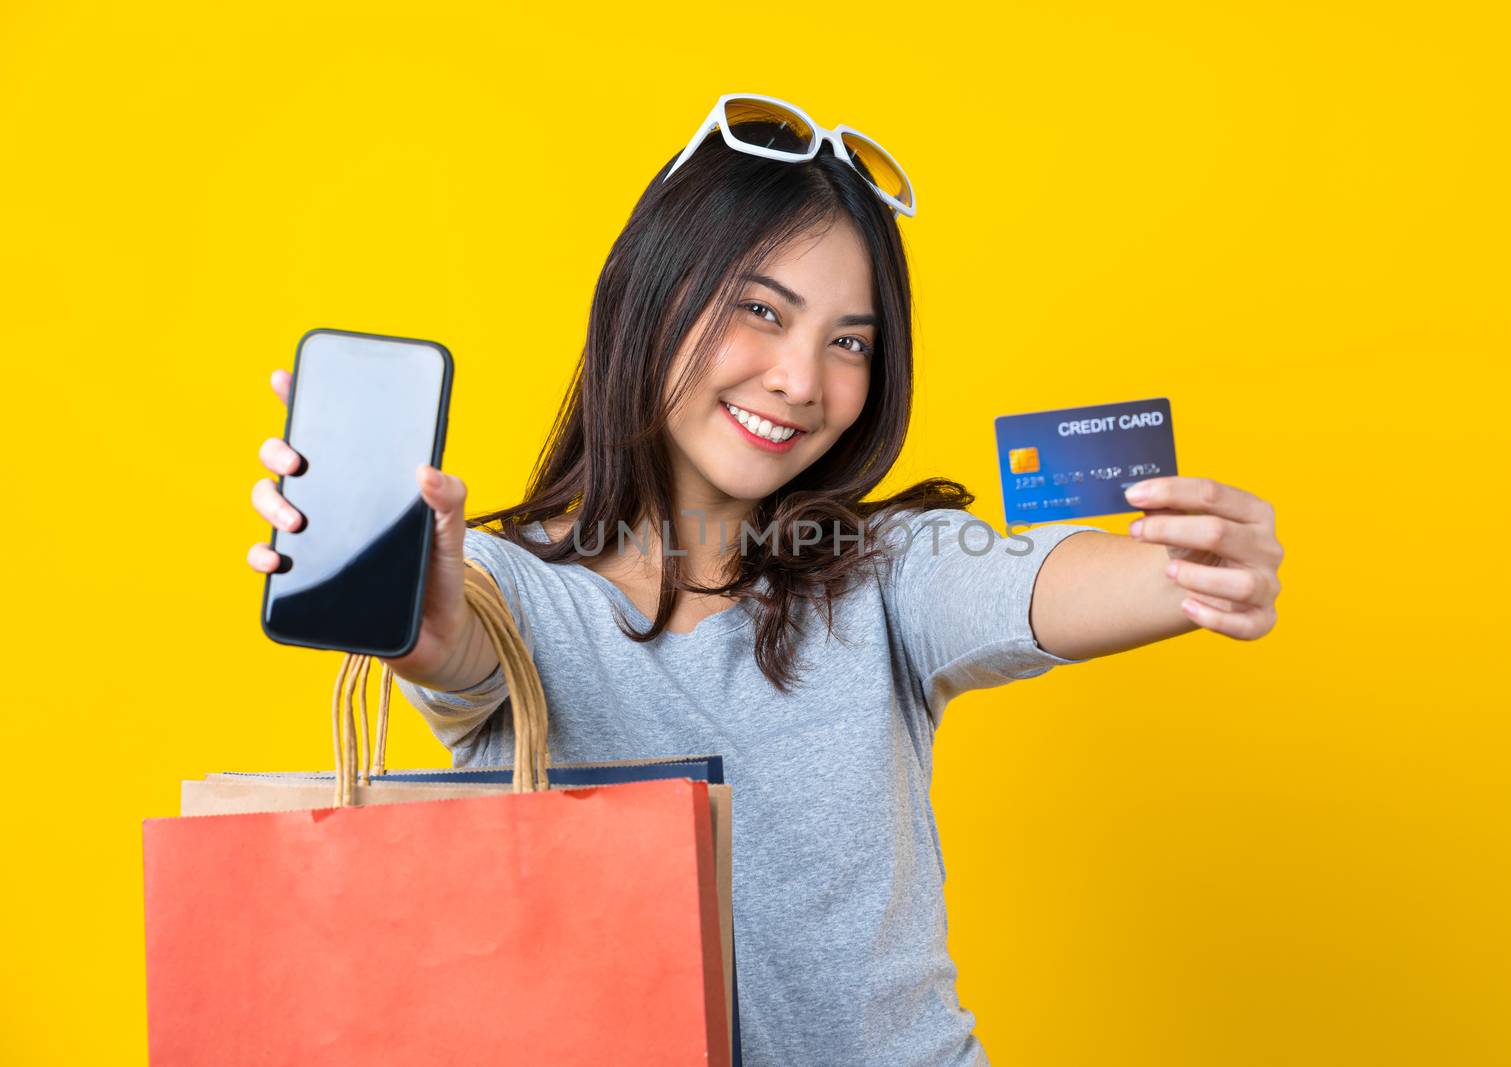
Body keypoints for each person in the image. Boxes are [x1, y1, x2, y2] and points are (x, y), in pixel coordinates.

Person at [246, 94, 1284, 1067]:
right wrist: (420, 622)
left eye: (849, 342)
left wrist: (1191, 570)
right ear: (652, 295)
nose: (800, 379)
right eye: (759, 308)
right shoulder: (511, 590)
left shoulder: (885, 567)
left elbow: (1045, 581)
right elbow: (464, 645)